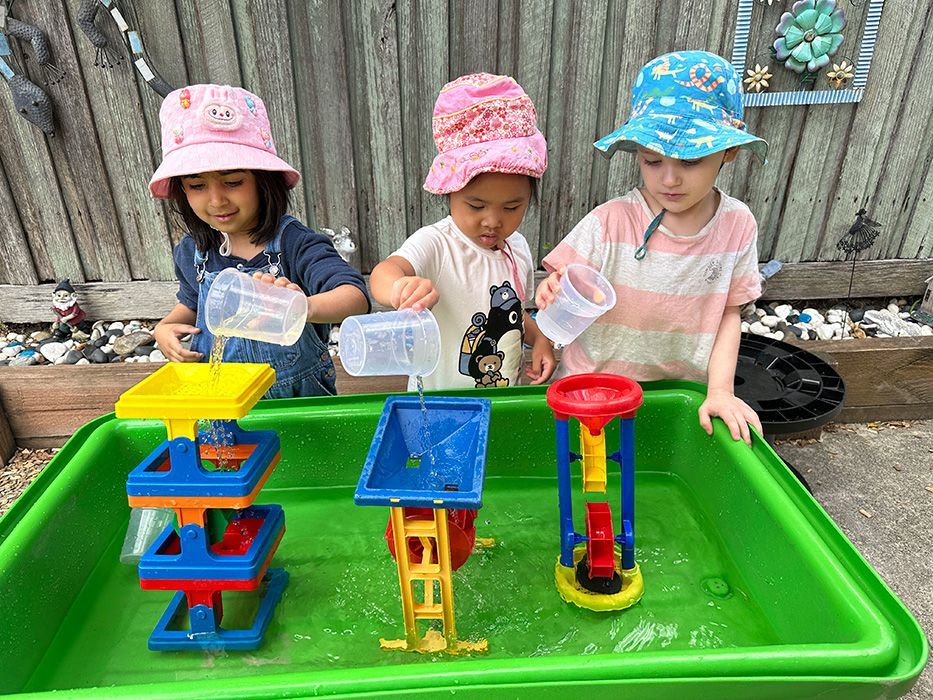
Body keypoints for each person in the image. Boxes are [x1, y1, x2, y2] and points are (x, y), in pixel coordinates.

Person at [536, 51, 767, 444]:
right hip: (593, 390)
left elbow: (730, 314)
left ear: (728, 152)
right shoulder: (611, 220)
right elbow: (561, 282)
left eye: (691, 161)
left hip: (677, 395)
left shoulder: (736, 223)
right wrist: (551, 290)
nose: (670, 178)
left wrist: (720, 391)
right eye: (652, 160)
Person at [150, 84, 369, 397]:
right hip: (222, 404)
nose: (216, 201)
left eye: (233, 182)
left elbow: (355, 299)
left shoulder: (295, 243)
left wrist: (300, 307)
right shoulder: (194, 251)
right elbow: (191, 302)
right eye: (197, 185)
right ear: (181, 191)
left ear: (264, 181)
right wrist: (164, 327)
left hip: (295, 405)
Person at [370, 72, 555, 391]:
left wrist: (539, 339)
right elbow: (384, 272)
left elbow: (512, 312)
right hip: (442, 404)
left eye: (512, 207)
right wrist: (399, 288)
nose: (493, 221)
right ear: (450, 192)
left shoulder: (518, 248)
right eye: (476, 205)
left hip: (503, 400)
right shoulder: (438, 244)